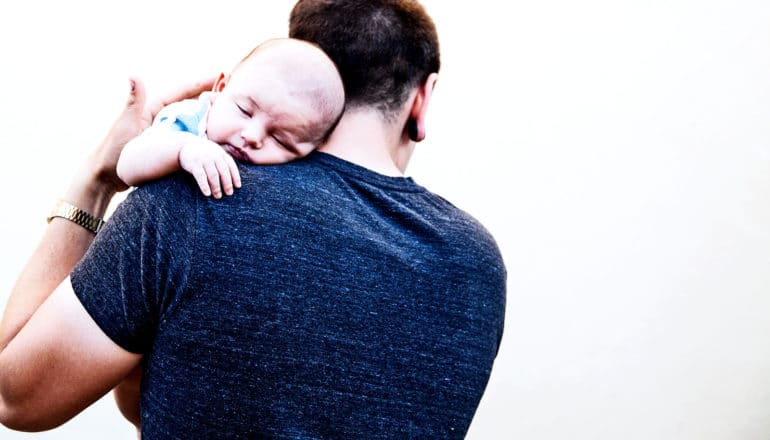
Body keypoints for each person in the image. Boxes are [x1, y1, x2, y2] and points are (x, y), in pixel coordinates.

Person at [0, 1, 506, 438]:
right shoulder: (478, 265)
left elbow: (14, 397)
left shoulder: (193, 199)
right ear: (423, 97)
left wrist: (98, 177)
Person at [117, 37, 345, 199]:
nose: (252, 136)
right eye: (244, 110)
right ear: (221, 89)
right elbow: (126, 167)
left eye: (280, 139)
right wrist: (183, 150)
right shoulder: (189, 120)